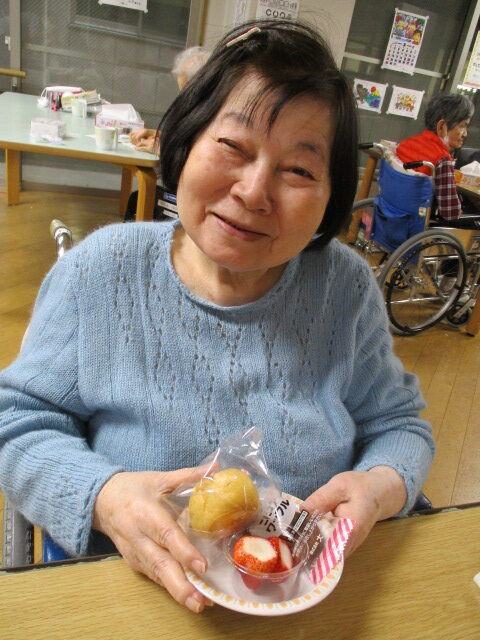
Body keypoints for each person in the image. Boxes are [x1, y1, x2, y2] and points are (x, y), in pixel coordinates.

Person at [0, 20, 434, 614]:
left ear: (330, 199)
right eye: (234, 146)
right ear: (186, 142)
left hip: (312, 601)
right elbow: (16, 423)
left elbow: (399, 425)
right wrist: (102, 495)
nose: (254, 192)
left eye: (299, 170)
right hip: (139, 596)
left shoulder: (345, 288)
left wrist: (381, 485)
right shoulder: (101, 272)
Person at [124, 45, 210, 222]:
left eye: (186, 89)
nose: (183, 95)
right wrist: (160, 136)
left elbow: (198, 161)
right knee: (135, 199)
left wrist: (162, 149)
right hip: (181, 192)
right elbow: (186, 140)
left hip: (191, 201)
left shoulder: (210, 115)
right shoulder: (200, 107)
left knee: (137, 201)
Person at [396, 93, 478, 227]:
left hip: (395, 212)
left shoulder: (405, 144)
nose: (465, 134)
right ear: (441, 127)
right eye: (462, 126)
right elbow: (450, 213)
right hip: (416, 222)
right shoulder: (442, 160)